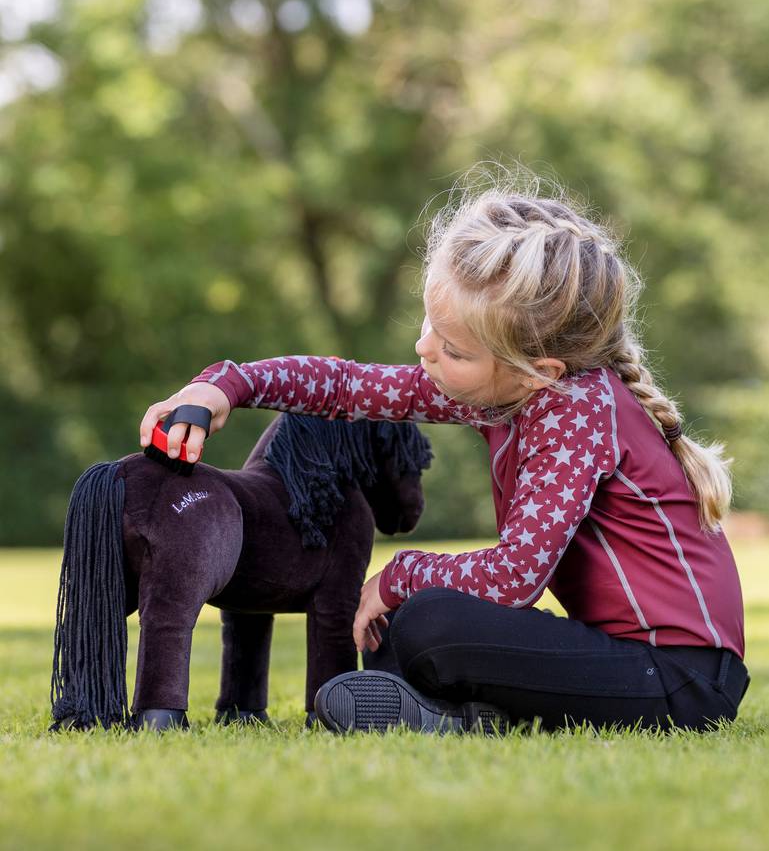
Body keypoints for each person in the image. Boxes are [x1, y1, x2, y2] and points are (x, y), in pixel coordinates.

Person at [138, 168, 750, 735]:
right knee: (396, 629)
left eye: (453, 350)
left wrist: (400, 574)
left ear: (539, 370)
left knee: (430, 620)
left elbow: (514, 578)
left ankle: (456, 711)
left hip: (683, 680)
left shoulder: (576, 409)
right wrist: (226, 385)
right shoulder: (509, 391)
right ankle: (459, 715)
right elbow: (348, 387)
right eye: (430, 324)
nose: (424, 348)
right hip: (625, 661)